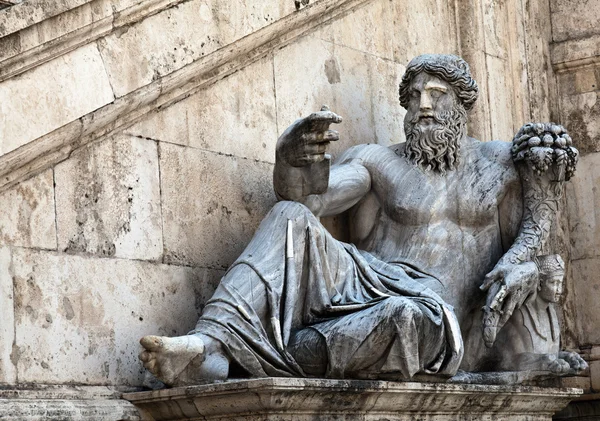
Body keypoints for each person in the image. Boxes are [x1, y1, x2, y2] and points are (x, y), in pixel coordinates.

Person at [139, 54, 583, 386]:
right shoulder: (377, 162)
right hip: (367, 285)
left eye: (436, 94)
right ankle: (207, 345)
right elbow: (311, 200)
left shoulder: (497, 164)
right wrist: (291, 162)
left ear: (462, 103)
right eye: (413, 97)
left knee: (405, 316)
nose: (422, 105)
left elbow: (535, 240)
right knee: (289, 215)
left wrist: (524, 267)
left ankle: (253, 357)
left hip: (435, 313)